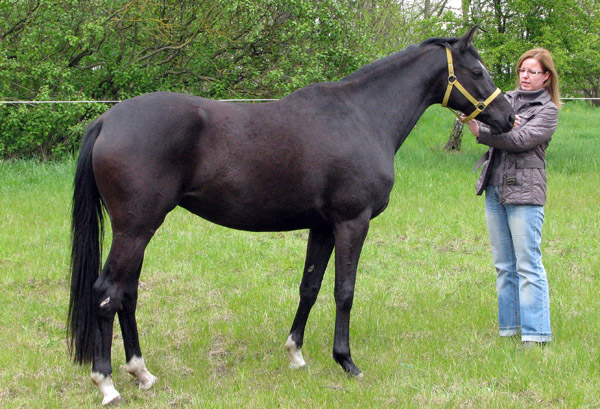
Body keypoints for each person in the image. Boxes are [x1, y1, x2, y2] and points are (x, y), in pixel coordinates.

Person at [466, 48, 561, 347]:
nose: (525, 76)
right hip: (494, 188)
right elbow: (493, 122)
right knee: (504, 265)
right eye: (522, 70)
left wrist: (483, 132)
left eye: (533, 71)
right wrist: (492, 124)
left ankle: (536, 334)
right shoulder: (505, 100)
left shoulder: (548, 111)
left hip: (525, 192)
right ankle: (509, 330)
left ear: (546, 77)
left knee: (528, 264)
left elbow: (520, 140)